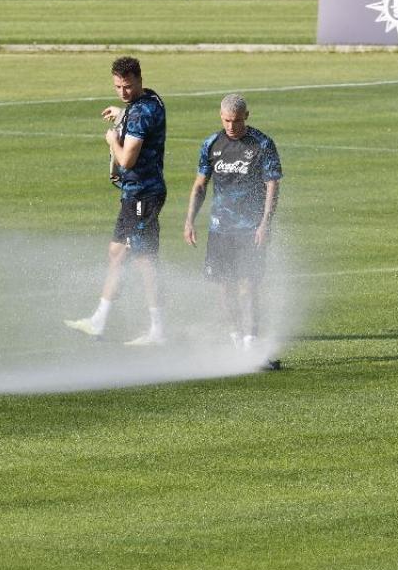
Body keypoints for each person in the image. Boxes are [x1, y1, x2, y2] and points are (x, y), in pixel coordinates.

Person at [65, 56, 168, 346]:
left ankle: (158, 330)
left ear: (139, 80)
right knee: (116, 253)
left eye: (127, 86)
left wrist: (112, 138)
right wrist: (122, 115)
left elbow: (126, 159)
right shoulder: (149, 100)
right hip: (134, 194)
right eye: (117, 87)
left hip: (143, 196)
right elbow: (136, 118)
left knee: (145, 262)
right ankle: (99, 320)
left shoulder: (140, 114)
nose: (122, 92)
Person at [184, 94, 282, 364]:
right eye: (227, 120)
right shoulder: (211, 144)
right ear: (221, 117)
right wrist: (190, 220)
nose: (231, 126)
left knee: (249, 286)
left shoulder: (262, 144)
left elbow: (272, 186)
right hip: (220, 230)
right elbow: (201, 184)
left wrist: (265, 223)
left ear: (246, 116)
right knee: (224, 287)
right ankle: (236, 341)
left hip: (251, 229)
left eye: (236, 121)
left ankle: (252, 344)